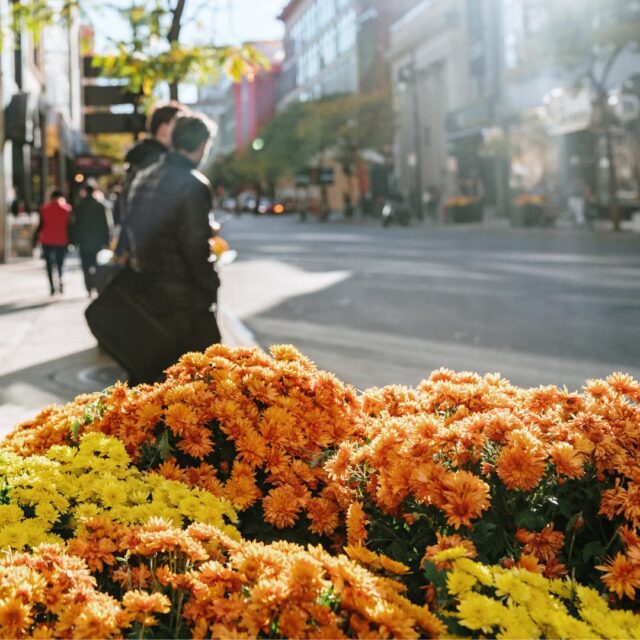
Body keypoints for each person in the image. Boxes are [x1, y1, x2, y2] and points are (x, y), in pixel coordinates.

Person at [126, 113, 221, 382]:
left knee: (153, 388)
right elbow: (195, 247)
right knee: (201, 390)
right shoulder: (193, 184)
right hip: (185, 306)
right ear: (201, 145)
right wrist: (211, 283)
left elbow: (135, 229)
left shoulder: (143, 177)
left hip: (148, 297)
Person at [115, 101, 189, 257]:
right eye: (180, 126)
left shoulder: (143, 157)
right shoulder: (156, 161)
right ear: (164, 129)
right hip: (154, 256)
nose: (184, 133)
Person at [70, 182, 111, 297]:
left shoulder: (79, 207)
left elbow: (74, 225)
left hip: (84, 243)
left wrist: (74, 240)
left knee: (86, 266)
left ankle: (89, 287)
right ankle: (97, 285)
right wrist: (107, 240)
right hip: (98, 242)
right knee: (98, 265)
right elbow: (106, 225)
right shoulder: (100, 206)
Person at [35, 190, 72, 295]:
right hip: (61, 239)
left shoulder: (44, 208)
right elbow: (69, 227)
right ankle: (60, 278)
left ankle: (52, 287)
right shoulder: (67, 209)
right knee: (60, 263)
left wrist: (35, 238)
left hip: (47, 240)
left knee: (49, 264)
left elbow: (41, 225)